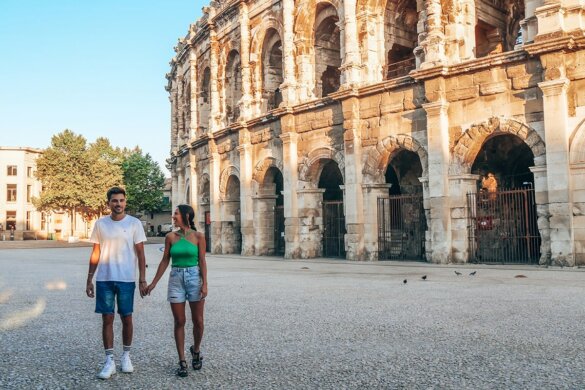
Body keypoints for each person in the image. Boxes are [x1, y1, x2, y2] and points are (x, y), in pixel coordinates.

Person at [85, 187, 148, 380]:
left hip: (127, 278)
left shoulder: (134, 223)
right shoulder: (100, 224)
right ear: (109, 203)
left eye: (121, 200)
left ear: (125, 202)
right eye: (114, 201)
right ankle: (109, 360)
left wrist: (142, 279)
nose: (118, 204)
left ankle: (126, 356)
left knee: (127, 317)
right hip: (105, 277)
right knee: (107, 319)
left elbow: (140, 253)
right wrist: (89, 278)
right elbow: (96, 252)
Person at [147, 204, 207, 377]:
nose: (173, 217)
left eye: (176, 214)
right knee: (179, 320)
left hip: (194, 277)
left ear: (186, 216)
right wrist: (154, 283)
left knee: (198, 321)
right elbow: (165, 260)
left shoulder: (198, 236)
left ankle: (196, 350)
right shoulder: (170, 237)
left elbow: (202, 261)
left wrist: (205, 283)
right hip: (176, 279)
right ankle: (182, 360)